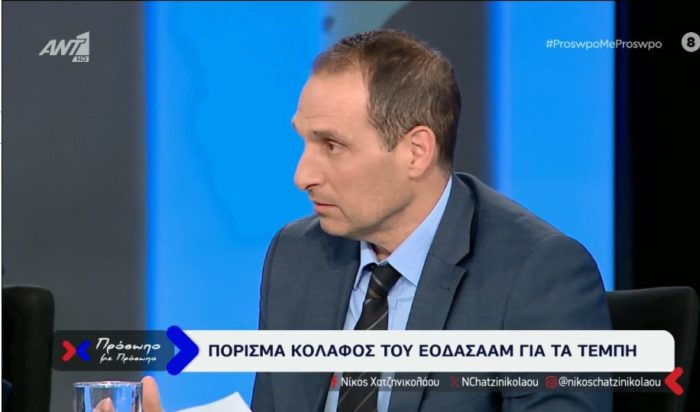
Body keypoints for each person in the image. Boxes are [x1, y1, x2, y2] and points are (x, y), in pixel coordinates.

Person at [142, 29, 611, 412]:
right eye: (304, 141)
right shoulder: (296, 254)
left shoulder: (538, 273)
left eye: (332, 145)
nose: (302, 176)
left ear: (415, 152)